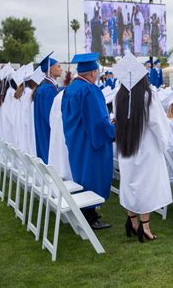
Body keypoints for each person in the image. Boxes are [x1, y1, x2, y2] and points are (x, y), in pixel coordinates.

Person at [114, 51, 172, 243]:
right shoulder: (148, 95)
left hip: (126, 147)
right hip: (146, 148)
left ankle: (132, 222)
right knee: (145, 186)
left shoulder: (119, 95)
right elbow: (157, 123)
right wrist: (166, 143)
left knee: (130, 184)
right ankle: (144, 227)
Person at [62, 53, 115, 229]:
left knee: (82, 176)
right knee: (92, 176)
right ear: (92, 73)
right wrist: (114, 131)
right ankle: (90, 217)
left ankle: (88, 213)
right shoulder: (89, 90)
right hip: (90, 143)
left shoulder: (70, 88)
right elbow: (98, 121)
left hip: (76, 139)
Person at [34, 52, 62, 164]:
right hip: (47, 129)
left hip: (42, 127)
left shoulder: (44, 86)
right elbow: (50, 115)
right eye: (58, 66)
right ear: (50, 70)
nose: (61, 69)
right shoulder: (48, 89)